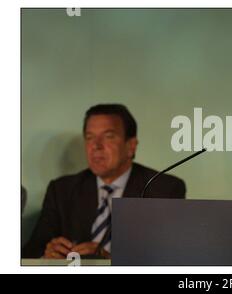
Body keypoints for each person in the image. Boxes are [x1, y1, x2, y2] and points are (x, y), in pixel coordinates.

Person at [22, 104, 186, 259]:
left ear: (131, 146)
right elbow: (32, 252)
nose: (96, 146)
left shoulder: (164, 189)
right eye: (89, 137)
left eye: (108, 136)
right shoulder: (62, 190)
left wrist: (111, 261)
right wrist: (48, 254)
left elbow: (172, 258)